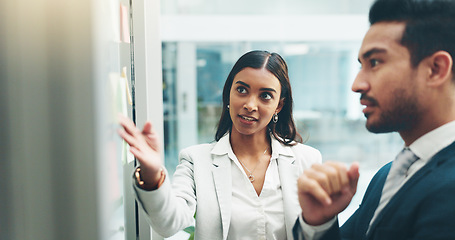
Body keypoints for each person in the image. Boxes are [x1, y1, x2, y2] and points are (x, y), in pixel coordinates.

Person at [293, 0, 455, 239]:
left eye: (375, 63)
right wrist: (319, 222)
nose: (357, 84)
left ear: (435, 69)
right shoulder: (388, 175)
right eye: (361, 65)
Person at [118, 50, 322, 240]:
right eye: (242, 90)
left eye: (265, 95)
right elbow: (168, 223)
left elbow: (319, 231)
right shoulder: (196, 161)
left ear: (279, 105)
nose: (250, 105)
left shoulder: (307, 160)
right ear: (228, 94)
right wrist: (152, 174)